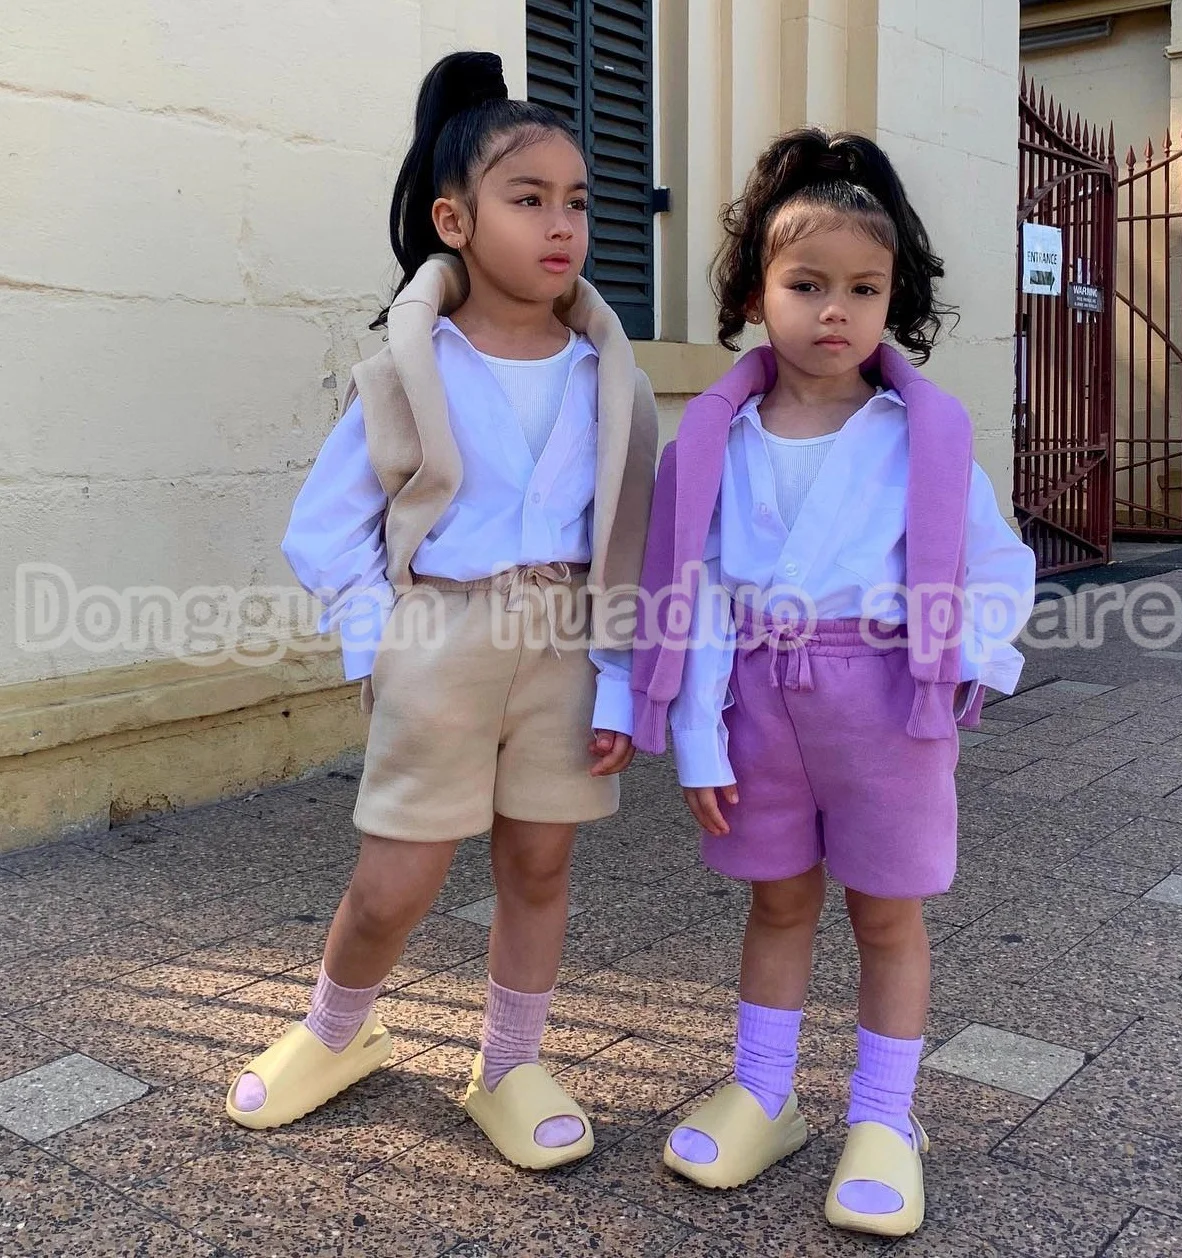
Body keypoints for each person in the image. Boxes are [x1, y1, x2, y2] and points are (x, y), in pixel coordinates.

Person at [224, 50, 657, 1173]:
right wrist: (389, 640)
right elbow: (325, 529)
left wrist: (621, 673)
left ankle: (509, 1063)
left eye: (577, 202)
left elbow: (630, 538)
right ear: (454, 221)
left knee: (540, 867)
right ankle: (337, 1031)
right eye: (528, 199)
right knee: (393, 882)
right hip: (442, 640)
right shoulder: (408, 371)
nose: (561, 225)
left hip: (566, 646)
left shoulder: (609, 378)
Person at [631, 129, 1036, 1235]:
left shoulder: (924, 437)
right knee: (777, 898)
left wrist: (959, 664)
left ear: (894, 296)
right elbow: (692, 591)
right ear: (753, 292)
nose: (835, 311)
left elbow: (999, 564)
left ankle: (884, 1116)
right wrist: (698, 738)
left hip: (886, 704)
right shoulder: (713, 442)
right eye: (806, 284)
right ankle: (763, 1092)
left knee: (887, 912)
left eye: (864, 287)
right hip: (756, 702)